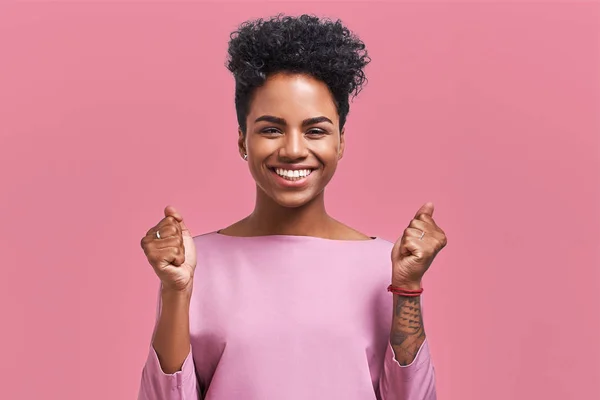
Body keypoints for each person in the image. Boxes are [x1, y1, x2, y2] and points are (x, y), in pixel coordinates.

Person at [137, 14, 446, 400]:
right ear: (242, 140)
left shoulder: (386, 263)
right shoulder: (195, 263)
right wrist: (174, 290)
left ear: (341, 142)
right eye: (271, 129)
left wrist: (407, 287)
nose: (294, 150)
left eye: (315, 130)